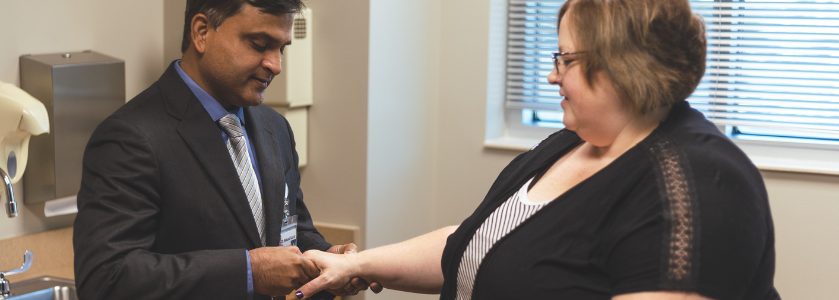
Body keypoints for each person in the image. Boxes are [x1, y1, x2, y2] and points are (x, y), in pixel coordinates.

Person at [293, 0, 780, 299]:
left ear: (620, 65)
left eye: (565, 59)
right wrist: (357, 264)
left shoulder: (698, 180)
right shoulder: (570, 144)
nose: (551, 75)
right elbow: (474, 244)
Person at [72, 1, 373, 299]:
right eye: (259, 44)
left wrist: (325, 258)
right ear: (202, 32)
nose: (276, 65)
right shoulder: (131, 137)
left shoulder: (275, 128)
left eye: (281, 48)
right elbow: (105, 279)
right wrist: (249, 272)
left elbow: (289, 232)